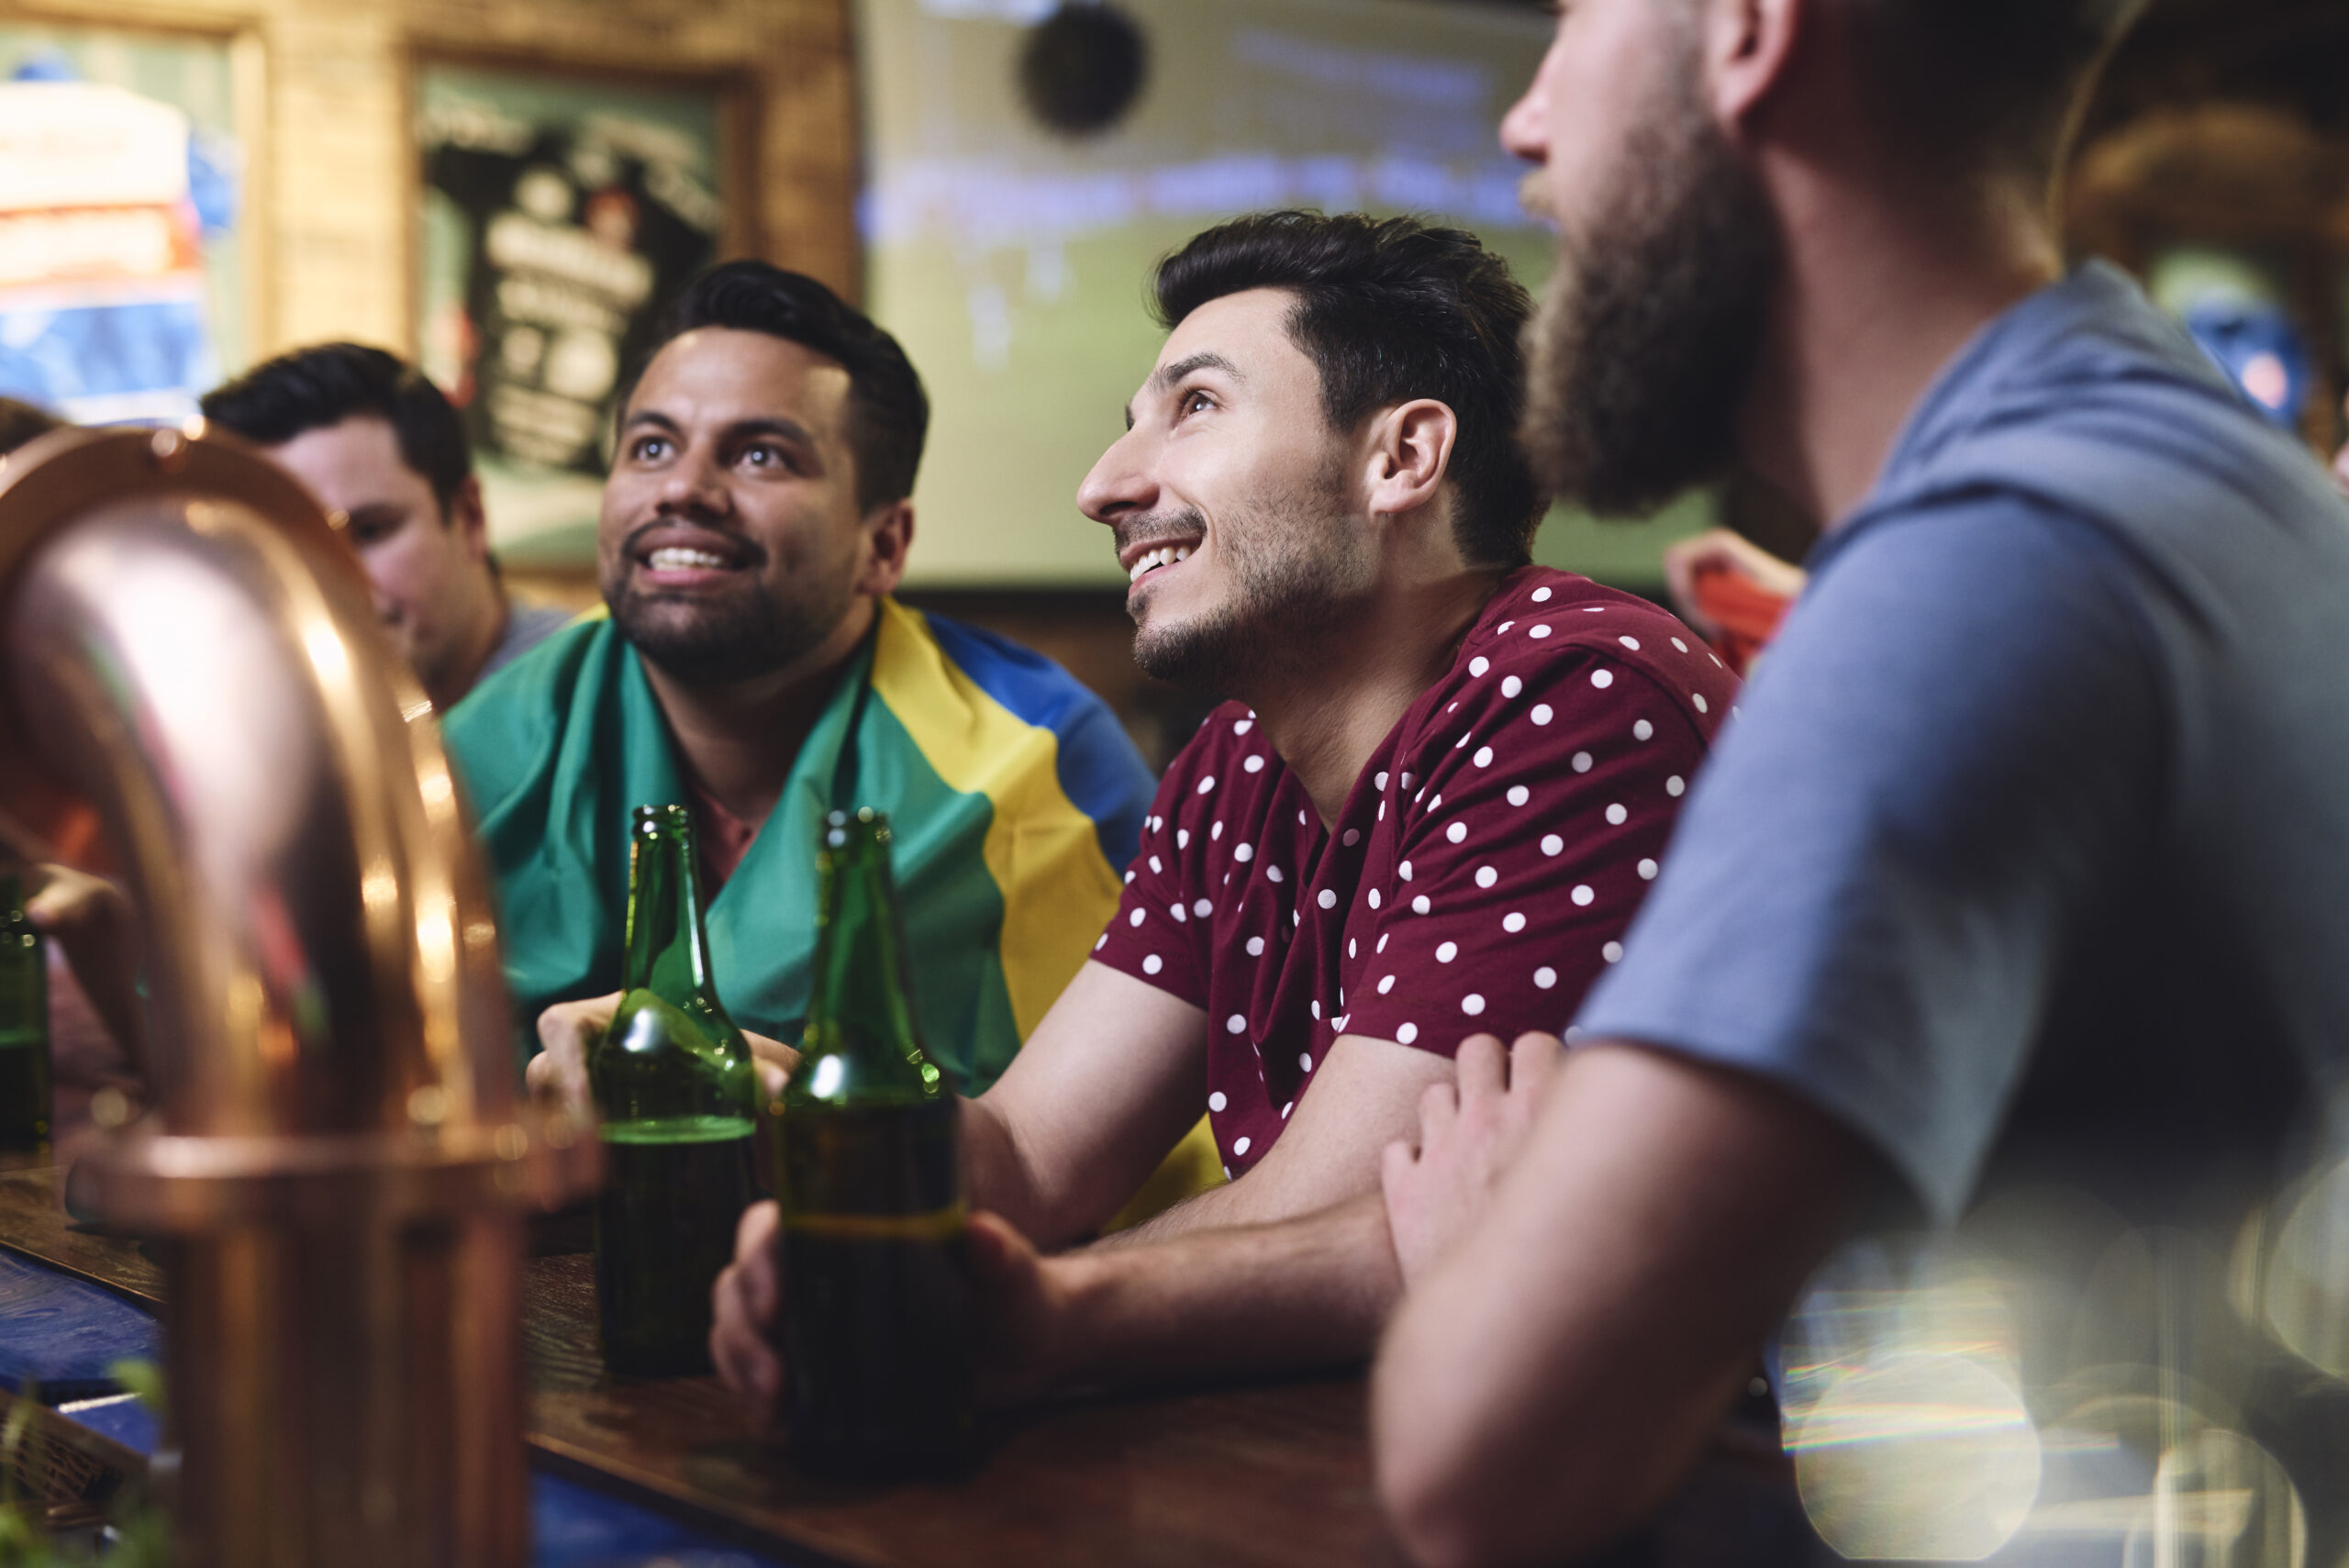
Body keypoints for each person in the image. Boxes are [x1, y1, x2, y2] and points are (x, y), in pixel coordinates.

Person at [1370, 1, 2349, 1562]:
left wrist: (1491, 1250)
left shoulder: (1993, 563)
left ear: (1751, 36)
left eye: (1574, 27)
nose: (1526, 122)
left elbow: (1478, 1458)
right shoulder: (2223, 493)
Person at [700, 211, 1737, 1414]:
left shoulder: (1574, 690)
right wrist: (740, 1094)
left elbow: (1348, 1218)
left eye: (1194, 407)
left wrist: (968, 1303)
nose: (1104, 486)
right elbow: (1029, 1159)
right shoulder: (1235, 758)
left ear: (1400, 458)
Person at [454, 261, 1158, 1097]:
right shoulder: (473, 758)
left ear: (884, 546)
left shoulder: (1043, 762)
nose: (683, 489)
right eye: (650, 447)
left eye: (760, 455)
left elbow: (1139, 1133)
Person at [201, 344, 571, 712]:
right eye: (293, 545)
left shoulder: (593, 707)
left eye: (369, 532)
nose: (334, 581)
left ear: (470, 518)